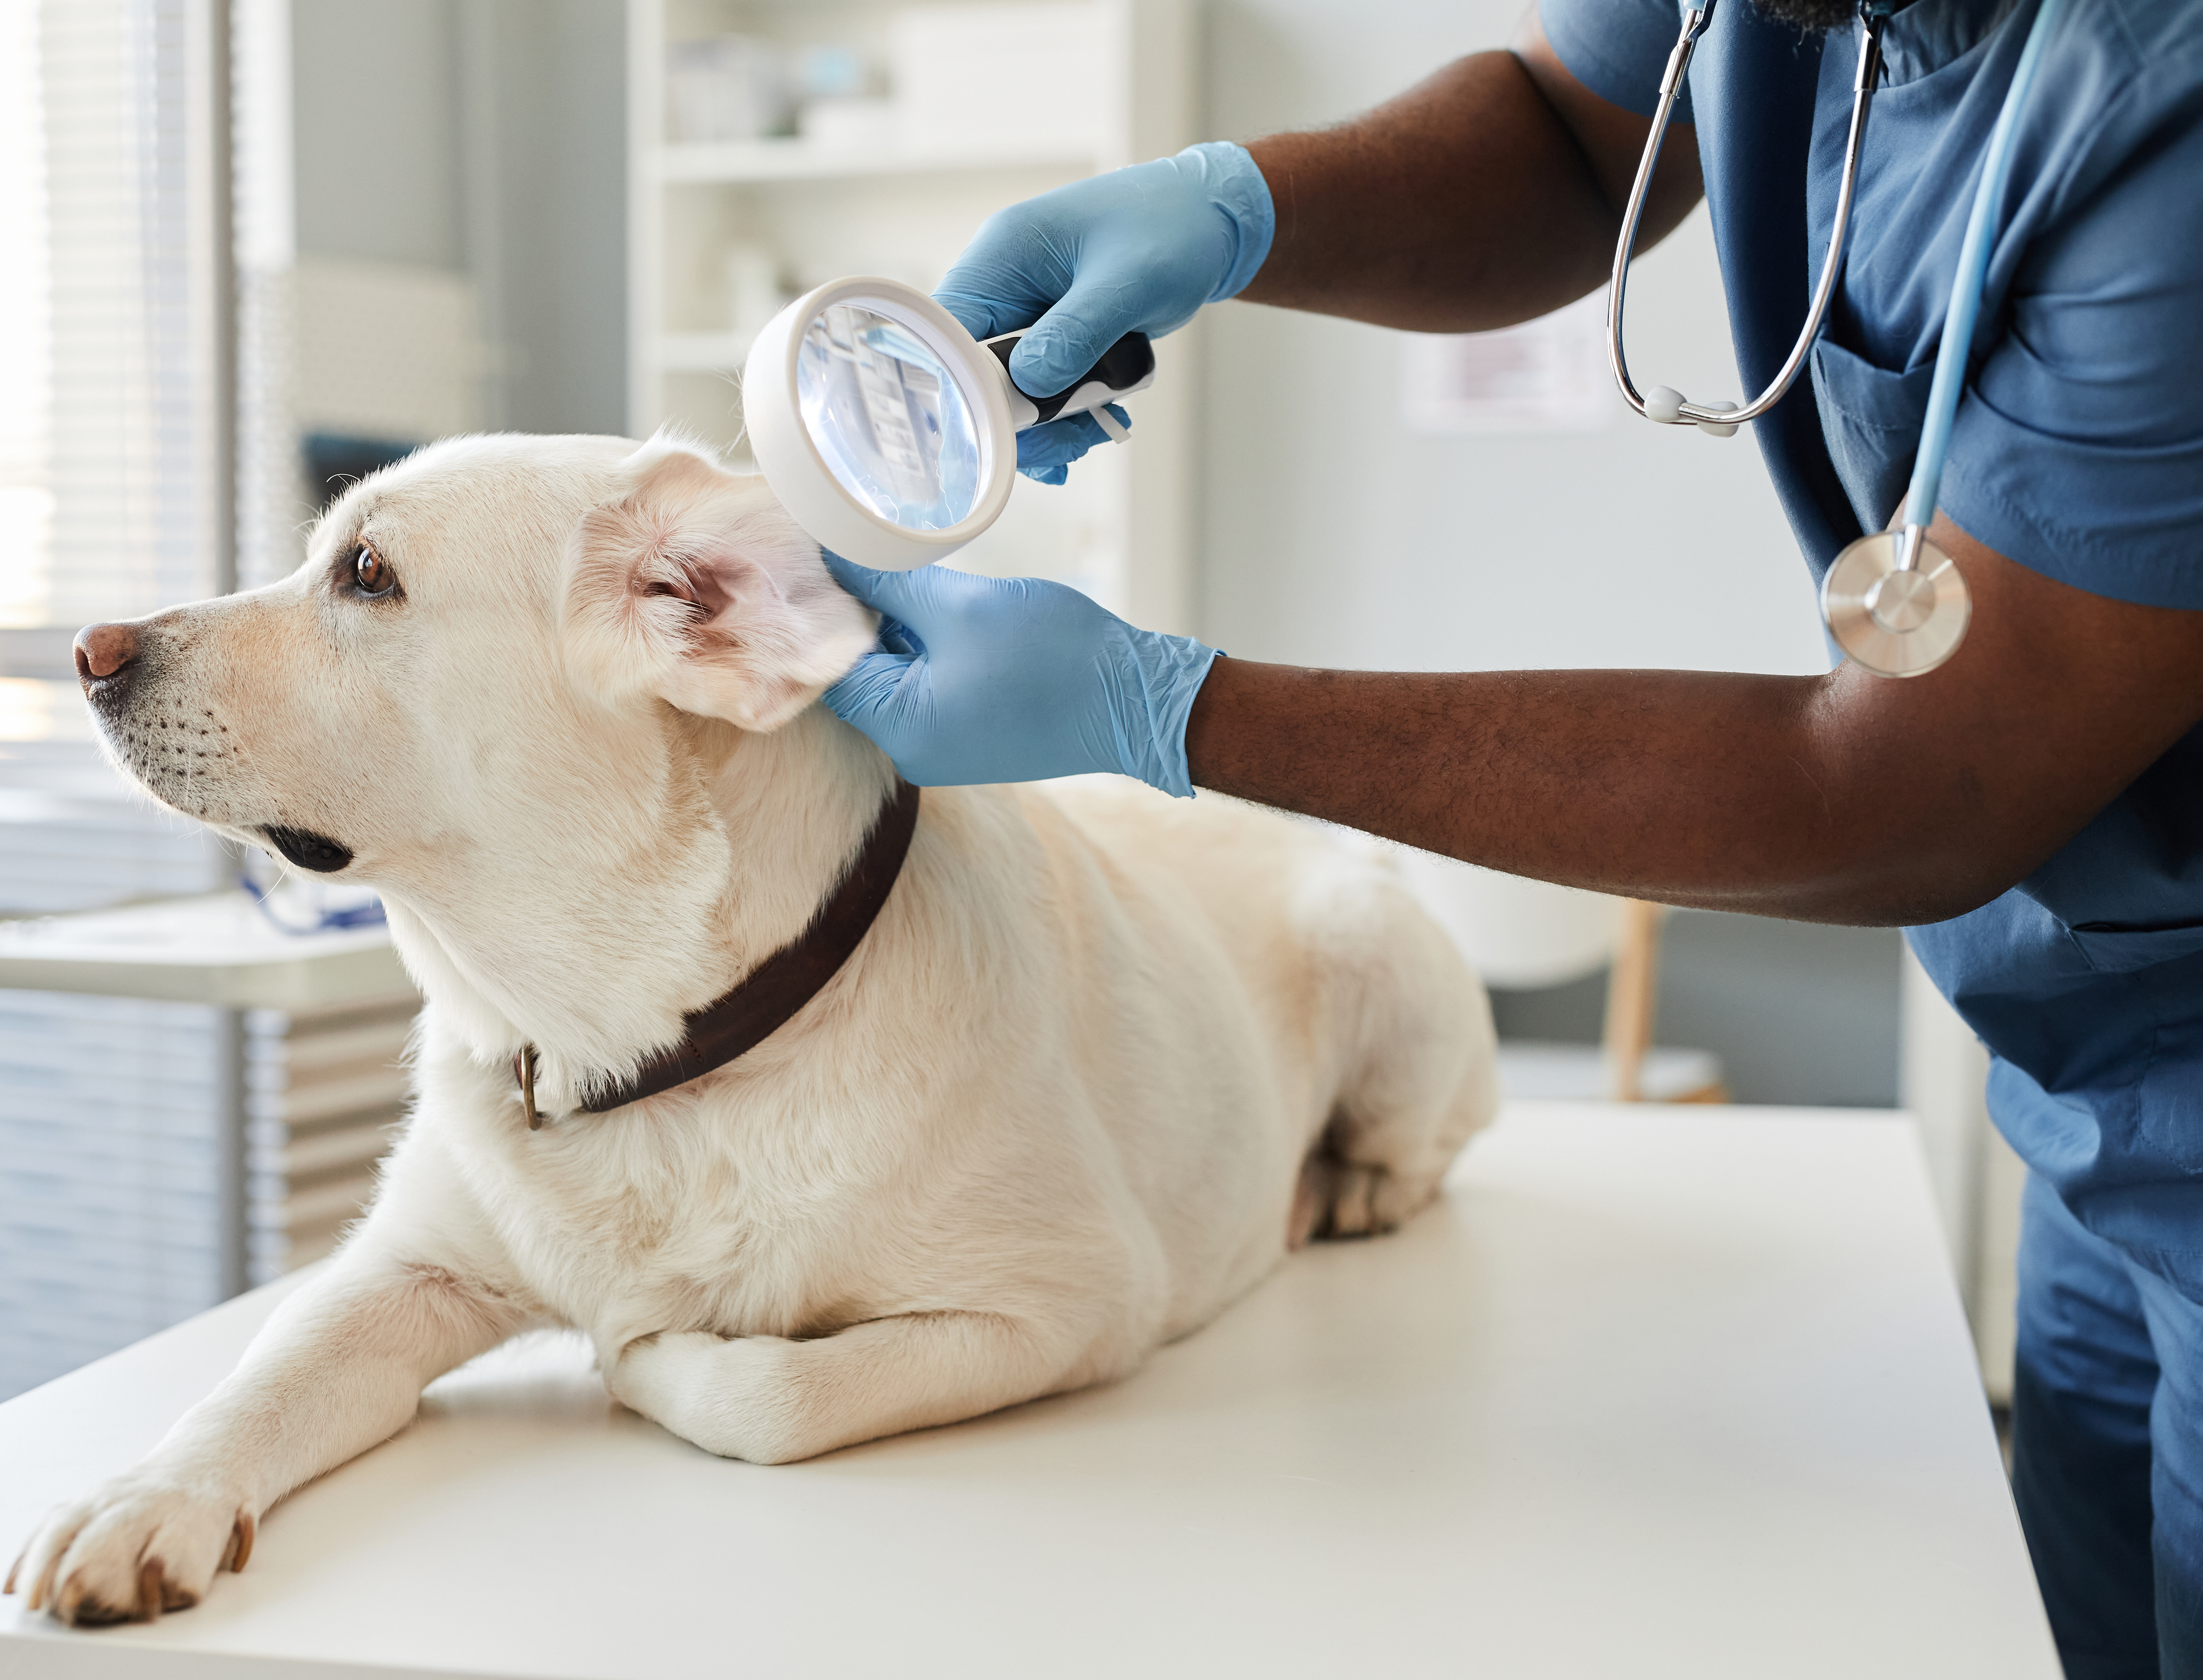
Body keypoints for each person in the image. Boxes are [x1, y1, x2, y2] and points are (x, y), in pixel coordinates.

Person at [813, 1, 2203, 1673]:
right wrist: (1237, 204)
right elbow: (1566, 132)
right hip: (2087, 1060)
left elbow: (1901, 789)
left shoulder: (2166, 121)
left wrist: (1168, 707)